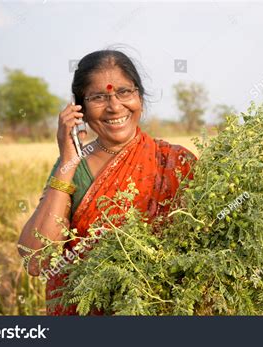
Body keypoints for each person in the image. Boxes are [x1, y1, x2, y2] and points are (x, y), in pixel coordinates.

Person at [17, 50, 197, 315]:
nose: (114, 106)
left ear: (140, 99)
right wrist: (68, 159)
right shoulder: (73, 168)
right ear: (81, 110)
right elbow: (36, 260)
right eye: (99, 97)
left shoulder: (175, 162)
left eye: (124, 92)